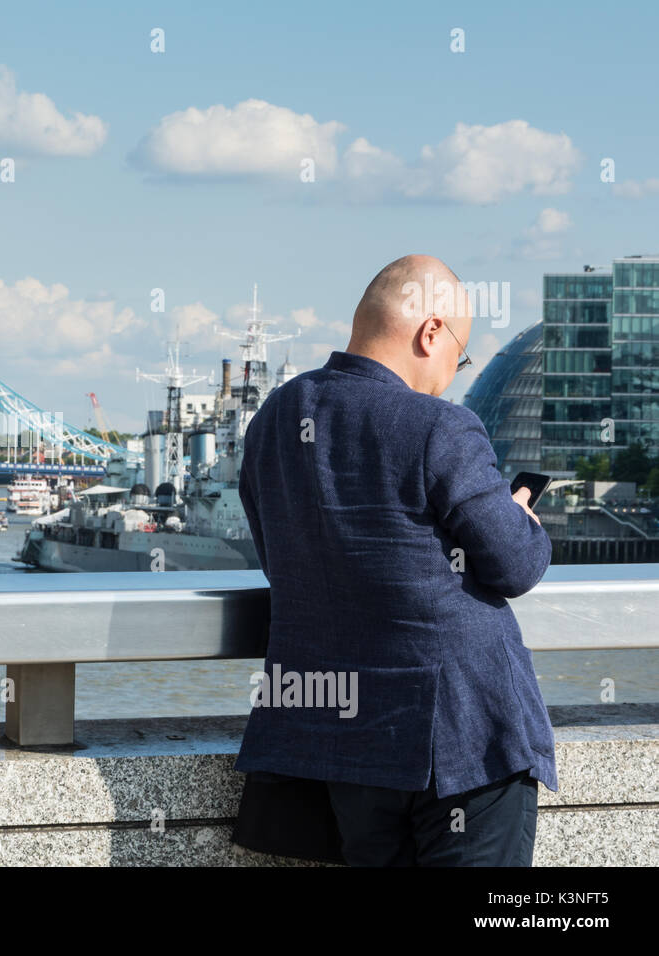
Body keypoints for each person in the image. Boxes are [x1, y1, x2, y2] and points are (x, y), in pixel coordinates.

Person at [233, 254, 556, 866]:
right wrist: (522, 518)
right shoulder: (439, 425)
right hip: (463, 739)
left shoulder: (275, 417)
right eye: (457, 357)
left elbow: (283, 561)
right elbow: (516, 564)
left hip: (345, 739)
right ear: (430, 331)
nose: (451, 378)